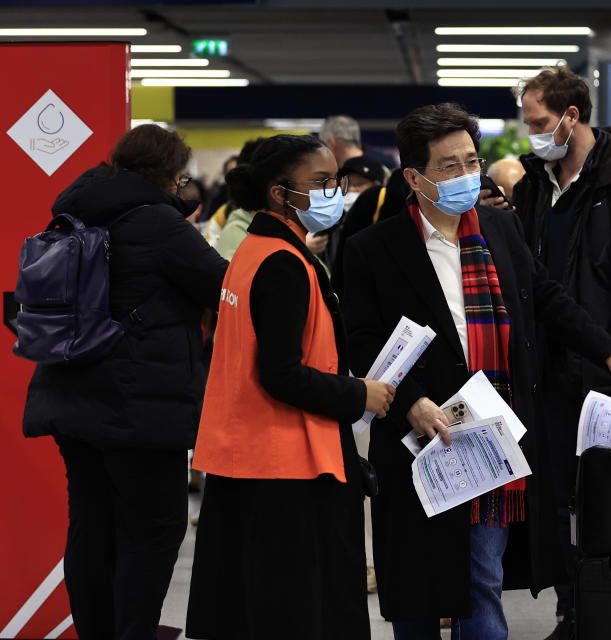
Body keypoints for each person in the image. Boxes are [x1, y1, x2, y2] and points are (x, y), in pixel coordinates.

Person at [342, 103, 611, 640]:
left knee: (481, 578)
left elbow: (547, 297)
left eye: (471, 161)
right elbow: (362, 342)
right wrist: (412, 402)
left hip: (493, 437)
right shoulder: (373, 250)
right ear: (414, 177)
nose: (465, 176)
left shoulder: (498, 227)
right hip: (420, 442)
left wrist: (610, 350)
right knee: (417, 594)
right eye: (448, 167)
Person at [20, 124, 228, 640]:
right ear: (169, 176)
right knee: (154, 530)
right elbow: (223, 284)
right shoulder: (158, 222)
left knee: (91, 526)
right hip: (140, 406)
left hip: (68, 392)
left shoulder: (71, 212)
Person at [185, 134, 394, 640]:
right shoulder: (283, 264)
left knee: (257, 605)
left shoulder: (254, 251)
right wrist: (357, 394)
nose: (334, 192)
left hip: (252, 455)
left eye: (336, 181)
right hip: (289, 462)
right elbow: (280, 373)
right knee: (297, 609)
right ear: (280, 193)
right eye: (320, 182)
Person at [510, 66, 611, 640]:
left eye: (538, 122)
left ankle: (604, 613)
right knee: (553, 500)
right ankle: (570, 611)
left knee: (603, 501)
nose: (530, 133)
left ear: (571, 116)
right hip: (544, 372)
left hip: (603, 375)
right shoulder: (534, 186)